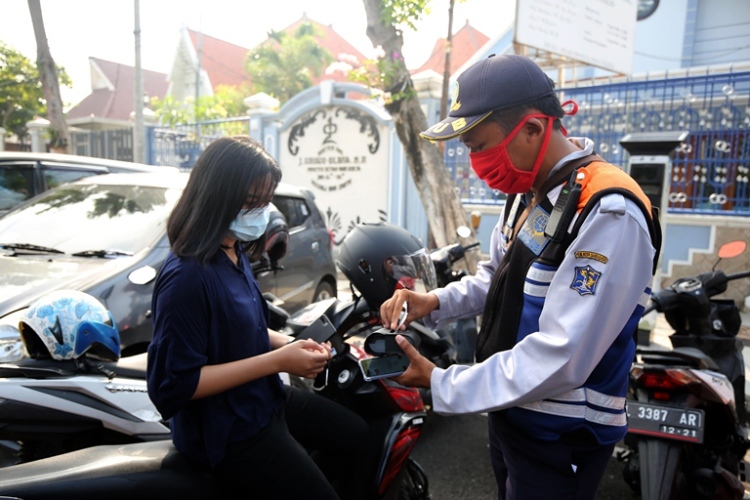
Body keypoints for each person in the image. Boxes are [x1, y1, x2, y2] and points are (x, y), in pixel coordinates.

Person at [380, 54, 661, 500]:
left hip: (564, 430)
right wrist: (434, 302)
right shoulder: (530, 192)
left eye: (478, 144)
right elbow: (499, 279)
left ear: (533, 128)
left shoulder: (608, 211)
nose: (474, 160)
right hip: (512, 408)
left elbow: (562, 355)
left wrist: (442, 383)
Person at [147, 136, 372, 499]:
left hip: (263, 401)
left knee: (356, 436)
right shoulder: (187, 277)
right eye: (252, 203)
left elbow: (242, 328)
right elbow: (175, 386)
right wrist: (279, 361)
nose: (260, 213)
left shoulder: (234, 252)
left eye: (265, 203)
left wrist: (290, 344)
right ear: (216, 196)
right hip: (228, 431)